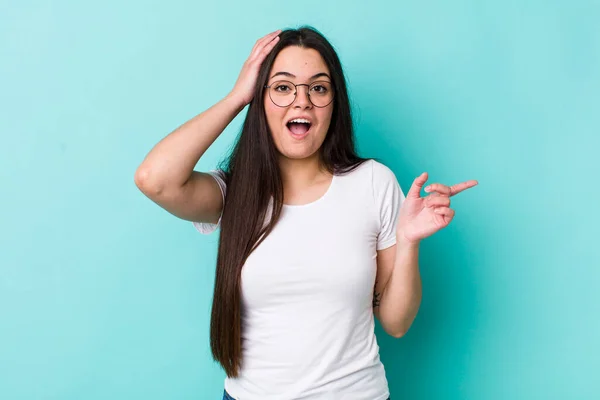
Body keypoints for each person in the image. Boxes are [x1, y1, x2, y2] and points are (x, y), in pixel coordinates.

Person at [135, 26, 478, 400]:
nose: (302, 102)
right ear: (260, 99)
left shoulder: (374, 183)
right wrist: (237, 97)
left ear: (334, 102)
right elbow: (155, 179)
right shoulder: (235, 192)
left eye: (318, 87)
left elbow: (396, 323)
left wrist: (408, 240)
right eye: (282, 87)